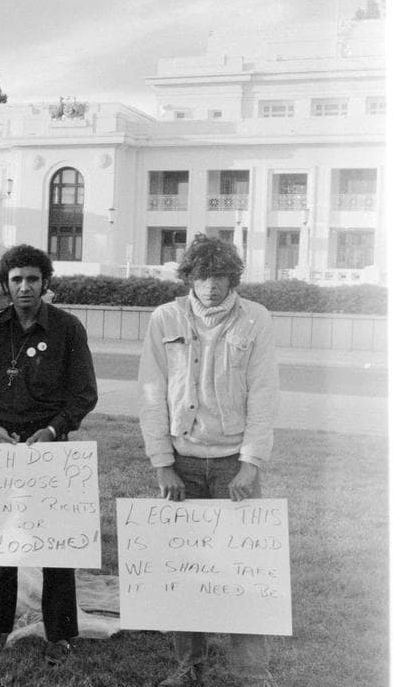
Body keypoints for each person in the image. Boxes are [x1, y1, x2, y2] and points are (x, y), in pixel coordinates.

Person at [139, 235, 279, 687]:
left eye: (220, 276)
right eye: (203, 276)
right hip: (181, 463)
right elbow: (151, 394)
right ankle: (188, 668)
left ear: (233, 278)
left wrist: (251, 463)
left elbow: (264, 394)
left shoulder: (256, 318)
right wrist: (162, 462)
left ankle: (253, 672)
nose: (212, 286)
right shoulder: (165, 318)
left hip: (232, 464)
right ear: (189, 278)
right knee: (185, 571)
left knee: (243, 571)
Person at [0, 244, 98, 666]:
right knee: (2, 541)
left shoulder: (67, 328)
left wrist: (53, 430)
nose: (25, 287)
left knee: (55, 545)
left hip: (51, 450)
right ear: (5, 285)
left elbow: (84, 393)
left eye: (33, 279)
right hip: (2, 448)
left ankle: (60, 634)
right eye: (16, 279)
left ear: (45, 282)